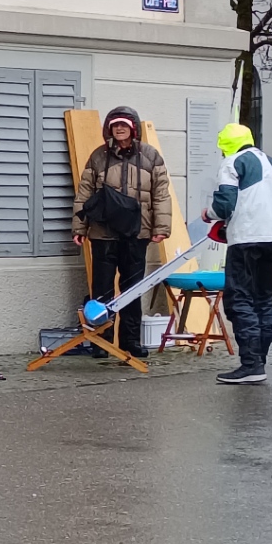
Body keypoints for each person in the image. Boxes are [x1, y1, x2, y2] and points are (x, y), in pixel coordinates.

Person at [72, 106, 172, 358]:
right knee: (101, 291)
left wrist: (161, 228)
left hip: (136, 233)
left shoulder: (151, 156)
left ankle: (131, 341)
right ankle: (101, 342)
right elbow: (84, 193)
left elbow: (161, 194)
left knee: (132, 290)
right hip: (103, 233)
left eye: (124, 125)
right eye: (115, 125)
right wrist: (79, 227)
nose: (119, 129)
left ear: (133, 128)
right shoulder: (98, 156)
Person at [208, 122, 272, 386]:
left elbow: (224, 204)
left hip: (245, 239)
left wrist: (209, 214)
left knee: (239, 299)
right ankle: (260, 360)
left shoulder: (232, 162)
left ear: (226, 145)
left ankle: (250, 364)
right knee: (263, 299)